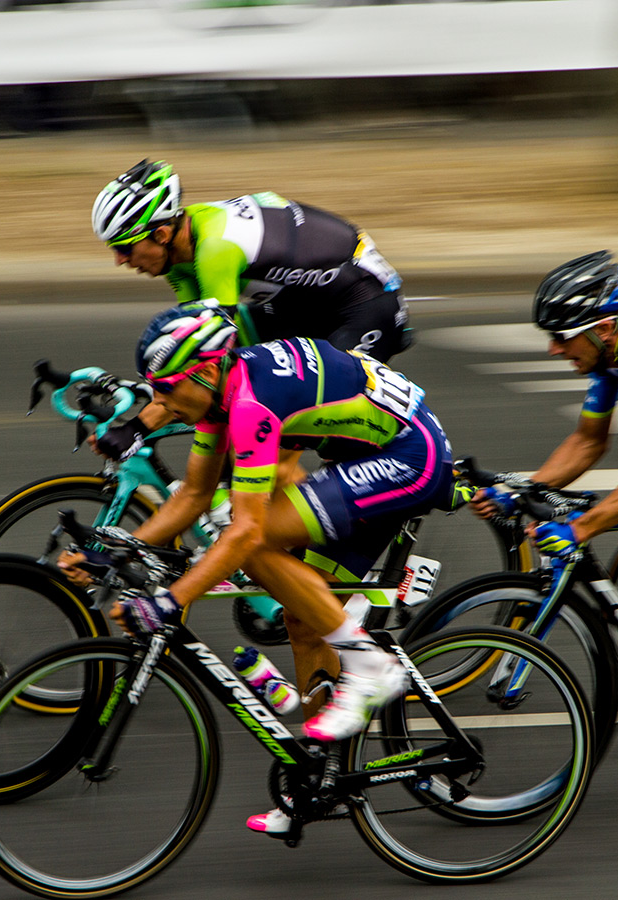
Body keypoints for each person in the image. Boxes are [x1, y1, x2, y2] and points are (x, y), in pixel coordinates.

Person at [59, 302, 454, 834]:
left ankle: (368, 664)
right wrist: (112, 551)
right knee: (301, 617)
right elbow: (193, 496)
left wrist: (169, 601)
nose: (160, 406)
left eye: (166, 391)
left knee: (256, 538)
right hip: (369, 458)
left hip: (411, 456)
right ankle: (319, 775)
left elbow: (244, 532)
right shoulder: (217, 397)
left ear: (200, 371)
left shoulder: (249, 405)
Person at [472, 250, 618, 703]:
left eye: (561, 337)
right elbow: (588, 443)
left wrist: (579, 529)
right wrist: (521, 490)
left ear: (601, 329)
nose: (553, 349)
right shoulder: (613, 348)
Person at [88, 158, 412, 462]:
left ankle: (418, 465)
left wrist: (138, 427)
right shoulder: (177, 256)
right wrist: (155, 388)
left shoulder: (216, 250)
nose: (119, 260)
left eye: (123, 248)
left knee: (300, 420)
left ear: (160, 234)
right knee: (240, 394)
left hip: (365, 306)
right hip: (302, 306)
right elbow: (188, 349)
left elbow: (208, 358)